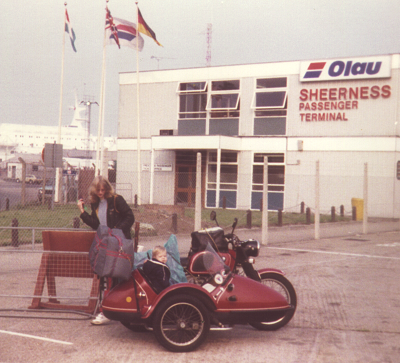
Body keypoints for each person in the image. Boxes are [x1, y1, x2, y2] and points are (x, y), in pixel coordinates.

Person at [77, 175, 134, 325]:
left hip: (117, 242)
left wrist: (116, 231)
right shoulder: (95, 204)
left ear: (107, 189)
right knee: (108, 276)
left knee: (112, 277)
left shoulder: (116, 200)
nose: (101, 192)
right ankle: (108, 309)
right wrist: (82, 212)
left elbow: (130, 217)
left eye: (103, 190)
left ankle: (109, 310)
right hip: (107, 243)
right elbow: (97, 225)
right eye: (98, 190)